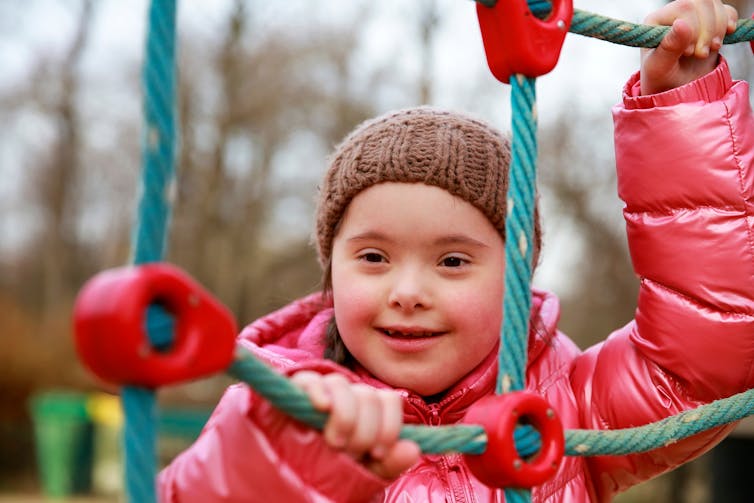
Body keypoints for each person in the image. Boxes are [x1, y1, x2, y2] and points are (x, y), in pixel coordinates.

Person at [158, 0, 754, 501]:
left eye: (452, 261)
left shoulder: (563, 405)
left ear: (515, 278)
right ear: (330, 268)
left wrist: (685, 108)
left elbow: (703, 358)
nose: (408, 293)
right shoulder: (278, 409)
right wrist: (287, 453)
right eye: (372, 257)